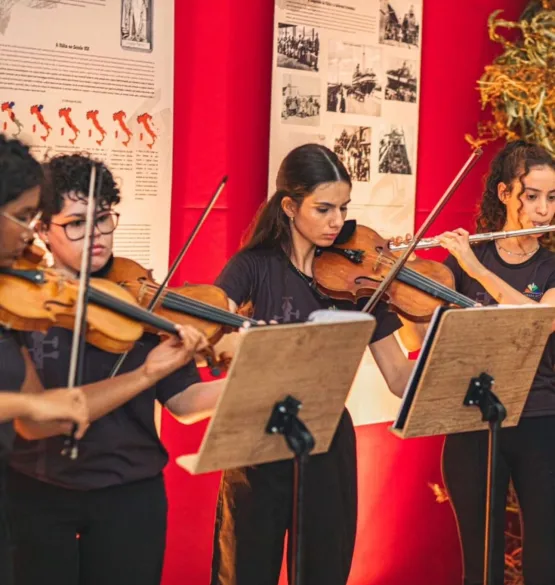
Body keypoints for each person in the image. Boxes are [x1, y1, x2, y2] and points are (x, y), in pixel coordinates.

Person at [7, 153, 219, 585]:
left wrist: (259, 379)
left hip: (130, 491)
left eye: (103, 219)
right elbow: (33, 422)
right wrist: (146, 373)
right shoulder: (20, 304)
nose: (96, 236)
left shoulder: (138, 299)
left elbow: (184, 401)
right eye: (76, 223)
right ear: (43, 229)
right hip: (37, 490)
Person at [210, 144, 413, 585]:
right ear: (289, 206)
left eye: (343, 208)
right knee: (245, 571)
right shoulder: (252, 266)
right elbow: (216, 327)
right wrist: (227, 337)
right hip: (257, 436)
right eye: (323, 209)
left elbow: (400, 377)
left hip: (326, 437)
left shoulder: (360, 280)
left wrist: (455, 356)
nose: (337, 222)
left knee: (324, 570)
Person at [400, 140, 555, 585]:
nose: (543, 210)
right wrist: (403, 285)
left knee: (545, 561)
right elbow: (421, 339)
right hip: (471, 418)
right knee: (479, 564)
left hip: (540, 417)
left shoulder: (548, 268)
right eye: (532, 196)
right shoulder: (462, 262)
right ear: (505, 194)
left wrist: (477, 268)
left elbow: (539, 322)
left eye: (551, 197)